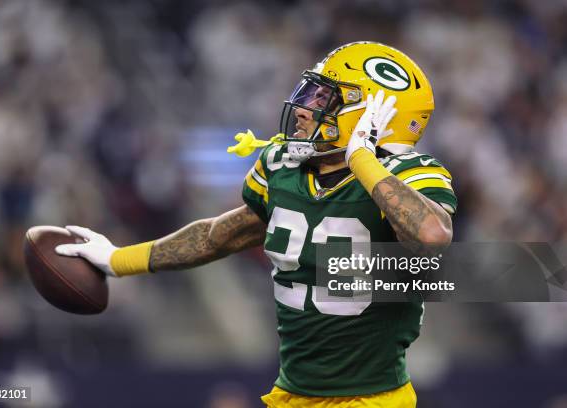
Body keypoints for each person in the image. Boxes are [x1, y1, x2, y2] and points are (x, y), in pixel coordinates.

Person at [55, 41, 456, 407]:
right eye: (311, 93)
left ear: (370, 115)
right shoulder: (283, 165)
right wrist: (118, 259)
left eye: (326, 98)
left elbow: (432, 234)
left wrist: (362, 159)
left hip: (374, 401)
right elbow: (218, 236)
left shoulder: (409, 172)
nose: (304, 108)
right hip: (293, 395)